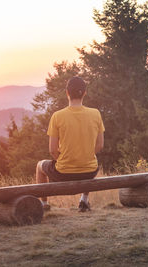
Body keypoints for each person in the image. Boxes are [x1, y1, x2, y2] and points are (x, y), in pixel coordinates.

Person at [35, 76, 105, 212]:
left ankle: (44, 204)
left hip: (64, 172)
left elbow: (52, 150)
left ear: (67, 92)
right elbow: (100, 145)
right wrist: (85, 156)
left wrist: (64, 160)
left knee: (39, 166)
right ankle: (84, 200)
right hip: (89, 171)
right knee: (92, 160)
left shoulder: (57, 116)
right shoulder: (95, 114)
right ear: (85, 92)